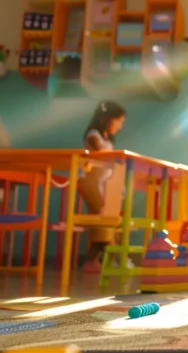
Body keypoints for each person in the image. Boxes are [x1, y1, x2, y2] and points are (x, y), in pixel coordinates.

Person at [79, 101, 126, 273]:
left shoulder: (107, 139)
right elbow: (100, 156)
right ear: (107, 118)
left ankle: (92, 261)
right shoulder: (93, 136)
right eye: (118, 121)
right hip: (91, 183)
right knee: (103, 220)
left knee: (102, 222)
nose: (120, 126)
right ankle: (113, 257)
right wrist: (113, 162)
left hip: (101, 185)